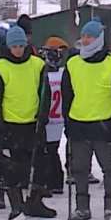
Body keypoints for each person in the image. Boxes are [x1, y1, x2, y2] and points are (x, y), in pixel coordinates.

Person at [63, 20, 111, 220]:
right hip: (79, 123)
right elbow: (67, 94)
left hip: (104, 124)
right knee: (80, 169)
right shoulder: (73, 63)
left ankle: (110, 208)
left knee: (109, 169)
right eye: (84, 36)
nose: (86, 39)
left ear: (99, 39)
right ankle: (82, 207)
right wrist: (68, 121)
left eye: (90, 36)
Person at [0, 25, 55, 219]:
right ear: (8, 47)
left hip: (33, 123)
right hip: (10, 124)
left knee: (38, 165)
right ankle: (16, 205)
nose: (18, 49)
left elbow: (45, 93)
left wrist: (43, 115)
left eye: (21, 46)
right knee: (12, 168)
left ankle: (35, 202)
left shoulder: (38, 65)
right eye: (14, 46)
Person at [41, 37, 70, 195]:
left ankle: (53, 180)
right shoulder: (60, 72)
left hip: (54, 118)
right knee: (50, 150)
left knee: (49, 150)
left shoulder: (61, 72)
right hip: (53, 116)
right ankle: (53, 180)